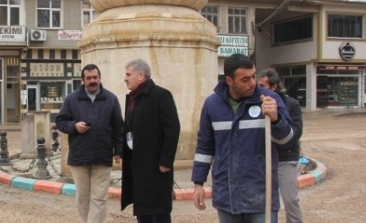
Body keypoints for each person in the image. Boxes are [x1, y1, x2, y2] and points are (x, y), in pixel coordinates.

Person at [192, 53, 295, 223]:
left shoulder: (270, 100)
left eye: (254, 76)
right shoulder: (212, 105)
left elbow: (288, 142)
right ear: (229, 80)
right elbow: (205, 146)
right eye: (245, 79)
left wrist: (277, 119)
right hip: (227, 196)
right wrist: (198, 182)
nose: (253, 83)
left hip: (261, 196)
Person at [55, 64, 124, 223]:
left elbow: (119, 127)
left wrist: (118, 151)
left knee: (99, 198)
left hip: (103, 155)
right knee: (83, 198)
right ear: (83, 80)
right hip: (79, 157)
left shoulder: (111, 99)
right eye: (89, 78)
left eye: (95, 77)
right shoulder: (72, 99)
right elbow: (60, 121)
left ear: (100, 78)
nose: (92, 81)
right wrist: (74, 126)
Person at [120, 59, 180, 223]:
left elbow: (172, 129)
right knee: (143, 211)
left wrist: (166, 160)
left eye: (128, 74)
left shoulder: (161, 95)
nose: (125, 78)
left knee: (159, 212)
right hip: (138, 166)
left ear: (141, 75)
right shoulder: (134, 98)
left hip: (157, 167)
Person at [257, 68, 304, 223]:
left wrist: (278, 122)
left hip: (285, 158)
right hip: (263, 159)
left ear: (274, 87)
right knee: (264, 201)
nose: (259, 89)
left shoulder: (292, 104)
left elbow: (296, 133)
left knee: (290, 200)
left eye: (263, 86)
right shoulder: (256, 104)